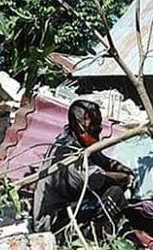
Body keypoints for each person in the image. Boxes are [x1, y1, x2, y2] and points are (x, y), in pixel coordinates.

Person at [33, 100, 135, 239]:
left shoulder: (81, 142)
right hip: (53, 222)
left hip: (70, 207)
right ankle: (96, 236)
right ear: (77, 125)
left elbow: (103, 160)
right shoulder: (68, 150)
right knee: (114, 194)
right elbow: (96, 178)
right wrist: (126, 178)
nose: (97, 132)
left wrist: (123, 169)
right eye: (92, 127)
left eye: (99, 127)